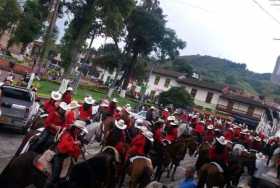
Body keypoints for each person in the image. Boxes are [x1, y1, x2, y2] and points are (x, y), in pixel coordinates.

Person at [44, 120, 88, 188]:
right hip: (59, 156)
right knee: (55, 175)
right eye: (80, 130)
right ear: (76, 128)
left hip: (67, 157)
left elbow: (75, 150)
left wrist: (79, 147)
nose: (81, 132)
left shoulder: (75, 136)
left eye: (81, 130)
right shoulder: (67, 134)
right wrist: (75, 143)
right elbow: (64, 147)